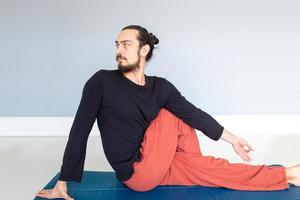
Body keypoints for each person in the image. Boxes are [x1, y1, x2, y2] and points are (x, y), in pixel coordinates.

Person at [36, 25, 300, 200]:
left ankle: (287, 174)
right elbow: (79, 130)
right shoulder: (101, 81)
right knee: (169, 114)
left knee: (209, 162)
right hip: (137, 171)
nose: (118, 50)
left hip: (161, 160)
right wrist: (65, 180)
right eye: (116, 44)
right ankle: (199, 165)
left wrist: (233, 140)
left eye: (125, 44)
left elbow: (193, 114)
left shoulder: (159, 86)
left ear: (144, 50)